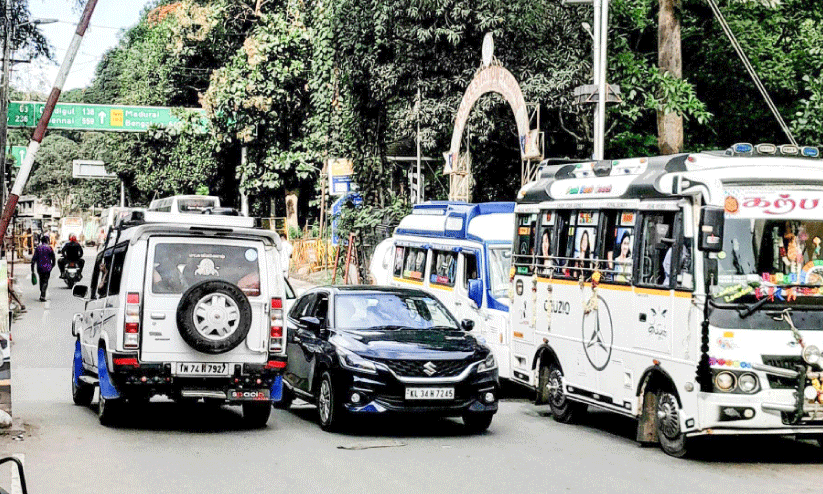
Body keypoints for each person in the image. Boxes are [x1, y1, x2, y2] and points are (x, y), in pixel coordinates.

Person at [31, 235, 56, 302]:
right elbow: (53, 258)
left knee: (41, 280)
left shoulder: (38, 248)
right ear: (47, 241)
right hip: (47, 268)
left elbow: (34, 259)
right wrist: (52, 266)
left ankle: (42, 293)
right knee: (45, 281)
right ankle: (43, 294)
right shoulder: (49, 248)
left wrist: (32, 269)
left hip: (39, 267)